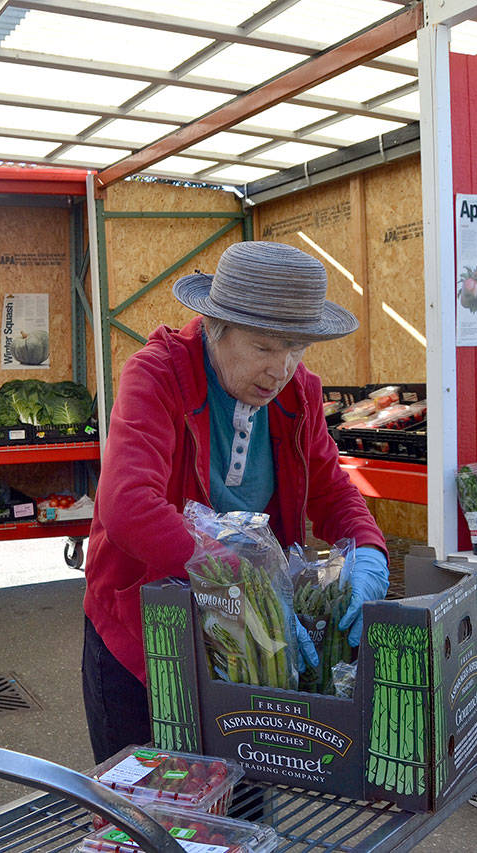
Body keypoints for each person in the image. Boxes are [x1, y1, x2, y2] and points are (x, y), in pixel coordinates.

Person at [80, 240, 391, 763]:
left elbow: (333, 489)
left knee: (245, 807)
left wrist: (369, 553)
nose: (282, 368)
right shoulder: (156, 376)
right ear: (214, 329)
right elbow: (128, 504)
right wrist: (248, 584)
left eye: (297, 348)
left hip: (253, 652)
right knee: (149, 811)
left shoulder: (300, 394)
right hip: (147, 634)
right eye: (265, 348)